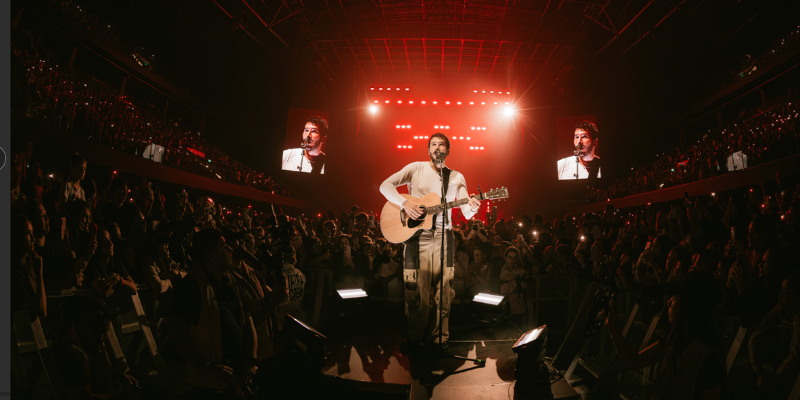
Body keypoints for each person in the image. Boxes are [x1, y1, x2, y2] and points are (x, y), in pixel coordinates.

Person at [379, 132, 482, 352]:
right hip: (417, 237)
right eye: (433, 144)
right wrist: (405, 203)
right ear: (428, 150)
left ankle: (438, 340)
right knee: (416, 291)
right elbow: (385, 186)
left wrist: (473, 207)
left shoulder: (456, 177)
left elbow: (465, 212)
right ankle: (416, 339)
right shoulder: (416, 168)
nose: (437, 148)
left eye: (441, 145)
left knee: (443, 292)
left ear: (447, 151)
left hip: (445, 237)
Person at [166, 229, 258, 398]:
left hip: (236, 378)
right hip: (207, 386)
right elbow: (175, 332)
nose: (230, 251)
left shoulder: (229, 280)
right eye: (224, 249)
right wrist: (206, 366)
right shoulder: (191, 287)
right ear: (210, 258)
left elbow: (247, 318)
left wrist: (250, 358)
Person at [605, 273, 726, 399]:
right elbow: (635, 360)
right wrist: (613, 329)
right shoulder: (676, 337)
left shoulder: (708, 357)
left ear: (689, 304)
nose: (668, 302)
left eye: (675, 296)